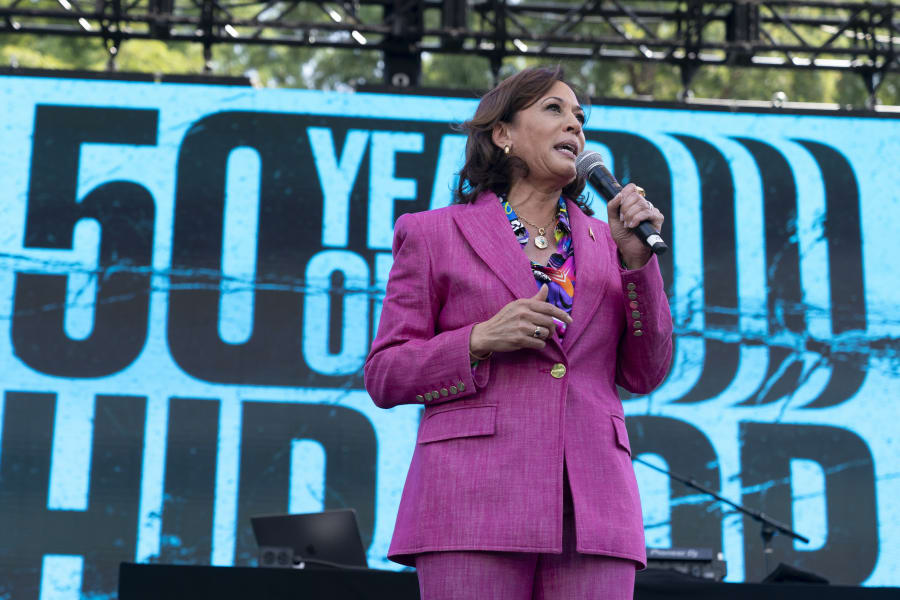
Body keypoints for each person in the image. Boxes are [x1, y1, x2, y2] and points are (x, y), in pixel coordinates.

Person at [364, 66, 673, 599]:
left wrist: (637, 264)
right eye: (554, 110)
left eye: (580, 118)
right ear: (502, 134)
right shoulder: (433, 233)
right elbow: (386, 373)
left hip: (593, 506)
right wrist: (477, 339)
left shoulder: (610, 242)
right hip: (471, 500)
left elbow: (645, 373)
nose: (574, 126)